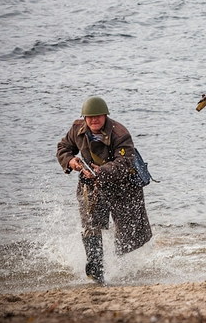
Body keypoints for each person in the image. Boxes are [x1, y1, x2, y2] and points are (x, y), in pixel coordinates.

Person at [56, 96, 152, 284]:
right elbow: (63, 147)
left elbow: (125, 162)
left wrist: (101, 171)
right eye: (90, 117)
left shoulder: (120, 133)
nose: (94, 120)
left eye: (98, 117)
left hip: (123, 187)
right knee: (91, 224)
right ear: (84, 118)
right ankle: (96, 267)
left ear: (105, 116)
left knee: (130, 236)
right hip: (92, 186)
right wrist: (70, 161)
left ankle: (123, 270)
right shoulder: (77, 129)